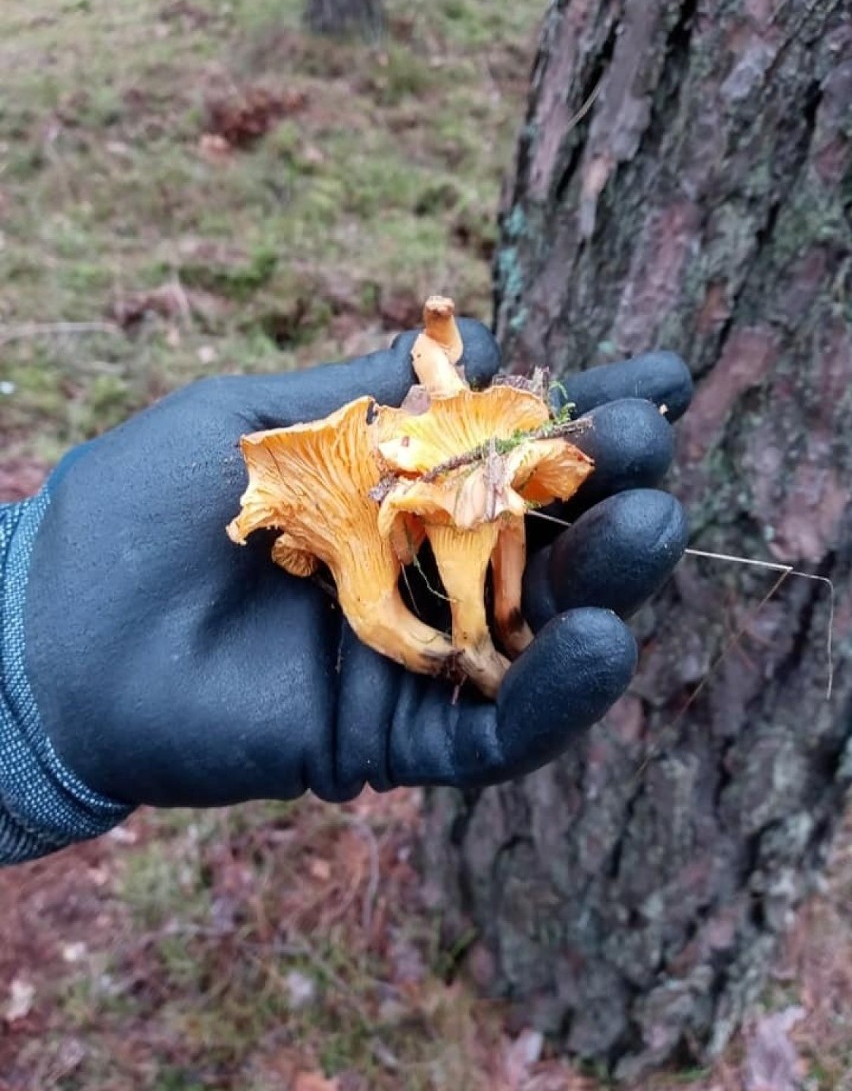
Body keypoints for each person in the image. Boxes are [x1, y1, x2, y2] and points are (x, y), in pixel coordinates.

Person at [0, 319, 692, 866]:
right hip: (367, 546)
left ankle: (493, 641)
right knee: (426, 608)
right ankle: (476, 652)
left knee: (522, 576)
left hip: (452, 510)